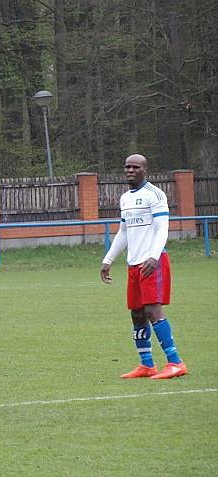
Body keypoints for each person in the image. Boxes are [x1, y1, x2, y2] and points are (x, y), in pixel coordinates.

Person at [100, 154, 187, 379]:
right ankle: (147, 365)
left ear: (144, 170)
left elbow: (162, 228)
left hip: (152, 262)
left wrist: (154, 256)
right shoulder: (125, 198)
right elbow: (124, 231)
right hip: (133, 264)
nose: (130, 170)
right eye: (127, 166)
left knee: (152, 309)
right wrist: (108, 260)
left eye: (135, 167)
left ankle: (175, 362)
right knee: (137, 313)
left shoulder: (155, 195)